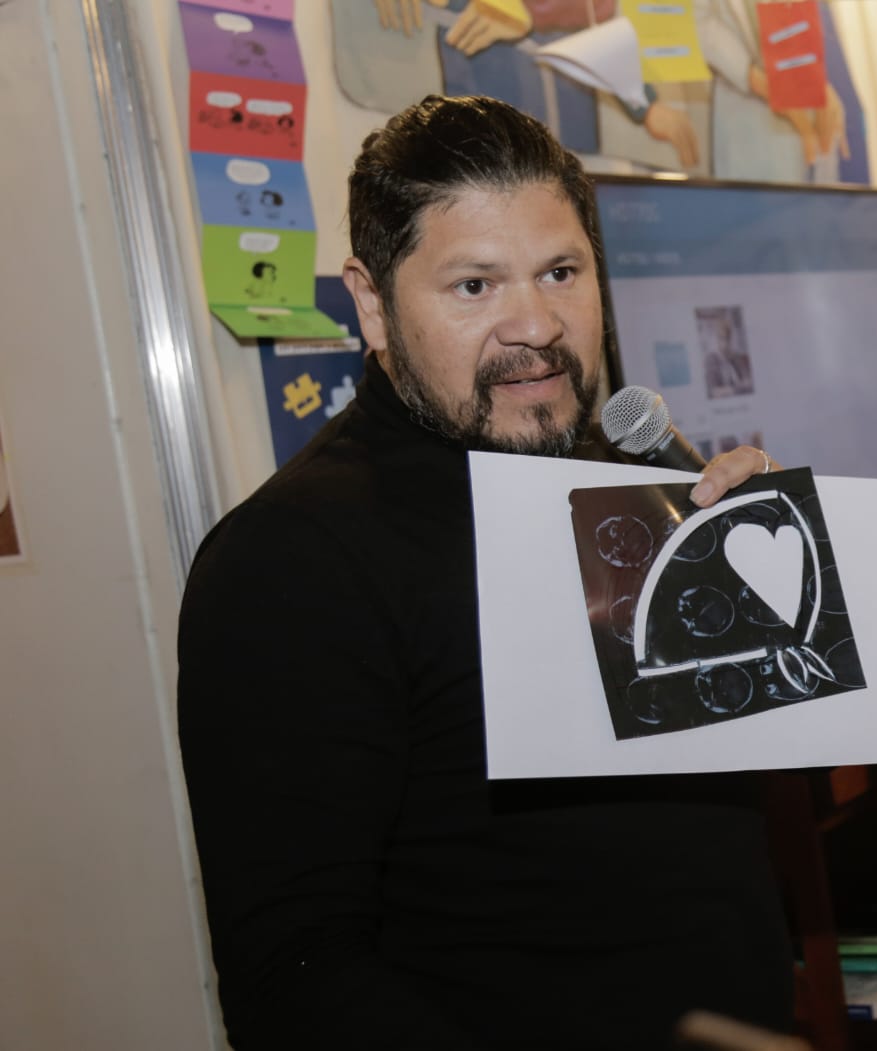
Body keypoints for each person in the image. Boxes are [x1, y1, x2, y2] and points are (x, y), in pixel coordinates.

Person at [177, 95, 792, 1050]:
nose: (536, 325)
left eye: (561, 272)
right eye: (475, 285)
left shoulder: (629, 480)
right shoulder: (290, 561)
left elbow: (692, 823)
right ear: (372, 303)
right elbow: (294, 976)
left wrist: (784, 592)